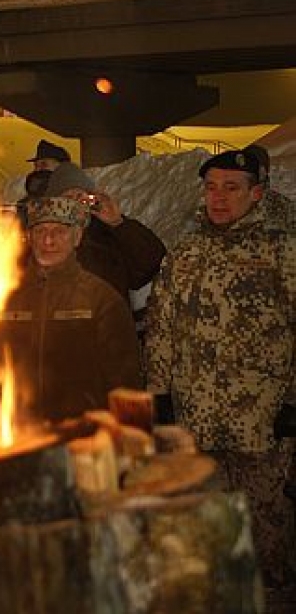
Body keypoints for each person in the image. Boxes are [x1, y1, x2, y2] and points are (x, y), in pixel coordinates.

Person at [146, 148, 296, 589]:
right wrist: (160, 395)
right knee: (209, 529)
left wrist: (292, 403)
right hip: (197, 421)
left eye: (231, 188)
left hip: (261, 424)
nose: (219, 198)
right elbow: (162, 326)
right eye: (211, 187)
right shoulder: (186, 252)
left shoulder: (283, 251)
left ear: (257, 193)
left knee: (266, 530)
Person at [0, 197, 141, 423]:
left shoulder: (100, 298)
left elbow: (126, 380)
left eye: (60, 231)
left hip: (82, 436)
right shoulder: (3, 295)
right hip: (18, 436)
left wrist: (129, 441)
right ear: (29, 238)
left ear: (77, 237)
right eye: (40, 231)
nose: (49, 240)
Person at [42, 159, 166, 301]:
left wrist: (119, 223)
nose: (75, 204)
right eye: (67, 198)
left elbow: (153, 264)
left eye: (80, 197)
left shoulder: (107, 231)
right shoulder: (43, 237)